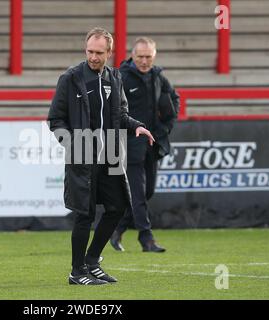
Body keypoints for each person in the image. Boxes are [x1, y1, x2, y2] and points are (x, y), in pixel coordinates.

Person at [48, 28, 155, 285]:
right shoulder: (71, 78)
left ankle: (92, 261)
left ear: (110, 52)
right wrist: (72, 145)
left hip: (111, 156)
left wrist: (136, 125)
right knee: (84, 215)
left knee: (117, 207)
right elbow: (55, 120)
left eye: (99, 52)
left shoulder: (114, 77)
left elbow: (121, 114)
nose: (93, 57)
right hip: (82, 157)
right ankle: (77, 272)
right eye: (90, 51)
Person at [110, 37, 179, 253]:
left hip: (152, 145)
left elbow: (174, 101)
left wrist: (165, 128)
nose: (144, 61)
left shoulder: (158, 77)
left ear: (154, 56)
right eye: (140, 56)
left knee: (147, 192)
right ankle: (146, 238)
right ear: (132, 55)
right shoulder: (120, 77)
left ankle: (117, 228)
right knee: (138, 194)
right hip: (128, 144)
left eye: (148, 56)